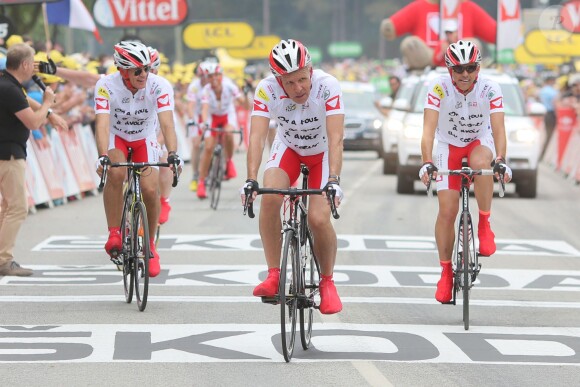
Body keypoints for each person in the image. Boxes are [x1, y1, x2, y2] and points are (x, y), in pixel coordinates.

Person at [240, 39, 345, 314]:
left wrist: (333, 179)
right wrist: (251, 178)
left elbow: (336, 139)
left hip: (321, 153)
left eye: (301, 79)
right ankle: (274, 274)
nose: (298, 88)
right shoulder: (265, 90)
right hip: (288, 149)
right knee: (270, 197)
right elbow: (257, 135)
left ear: (310, 70)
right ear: (278, 81)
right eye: (290, 83)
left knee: (318, 218)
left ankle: (327, 282)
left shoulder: (328, 86)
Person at [418, 40, 512, 303]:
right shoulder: (438, 87)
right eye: (459, 69)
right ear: (450, 70)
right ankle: (446, 272)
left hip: (479, 141)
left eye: (471, 68)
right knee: (447, 211)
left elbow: (498, 129)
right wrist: (427, 161)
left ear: (478, 67)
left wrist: (501, 159)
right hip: (448, 146)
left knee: (482, 162)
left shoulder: (491, 87)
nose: (465, 75)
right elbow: (427, 131)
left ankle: (484, 223)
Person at [94, 41, 181, 277]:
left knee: (150, 190)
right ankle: (114, 232)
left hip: (145, 137)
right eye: (138, 70)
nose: (145, 74)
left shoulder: (159, 85)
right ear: (123, 71)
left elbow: (167, 122)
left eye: (147, 68)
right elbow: (101, 123)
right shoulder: (105, 85)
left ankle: (150, 246)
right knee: (116, 173)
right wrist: (102, 156)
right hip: (117, 136)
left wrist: (173, 153)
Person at [0, 43, 66, 276]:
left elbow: (26, 103)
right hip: (8, 155)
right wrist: (48, 102)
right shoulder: (10, 89)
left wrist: (51, 114)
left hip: (8, 153)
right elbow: (32, 122)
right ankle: (4, 261)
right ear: (26, 64)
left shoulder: (8, 83)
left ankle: (2, 257)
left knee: (7, 207)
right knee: (17, 208)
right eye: (33, 64)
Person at [196, 61, 248, 199]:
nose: (214, 79)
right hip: (213, 116)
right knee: (208, 148)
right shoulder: (205, 90)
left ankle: (229, 160)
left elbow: (243, 102)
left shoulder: (229, 86)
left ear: (221, 76)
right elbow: (205, 108)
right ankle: (201, 182)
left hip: (227, 114)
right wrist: (204, 123)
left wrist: (245, 95)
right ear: (207, 78)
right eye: (210, 76)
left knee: (229, 134)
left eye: (217, 76)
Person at [185, 62, 210, 192]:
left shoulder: (213, 85)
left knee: (210, 143)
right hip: (197, 116)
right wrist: (192, 119)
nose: (205, 79)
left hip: (210, 115)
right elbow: (190, 105)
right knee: (196, 144)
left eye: (207, 76)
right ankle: (195, 175)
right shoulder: (194, 86)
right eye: (202, 76)